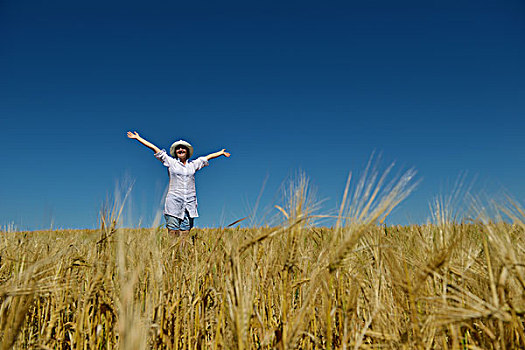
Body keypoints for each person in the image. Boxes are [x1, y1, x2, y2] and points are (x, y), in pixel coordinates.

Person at [127, 131, 230, 237]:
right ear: (175, 152)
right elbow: (155, 149)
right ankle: (172, 253)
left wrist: (221, 153)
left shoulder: (193, 165)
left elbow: (208, 157)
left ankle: (183, 254)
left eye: (183, 148)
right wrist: (138, 138)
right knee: (173, 232)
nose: (180, 149)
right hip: (174, 202)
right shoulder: (171, 162)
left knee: (185, 233)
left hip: (190, 203)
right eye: (178, 148)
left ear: (187, 151)